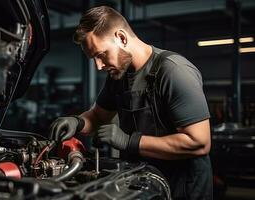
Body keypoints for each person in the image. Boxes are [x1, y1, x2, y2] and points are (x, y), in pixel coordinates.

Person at [49, 6, 212, 200]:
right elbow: (98, 116)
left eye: (101, 55)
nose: (98, 66)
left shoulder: (174, 71)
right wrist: (77, 122)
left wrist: (128, 141)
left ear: (122, 38)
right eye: (93, 58)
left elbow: (199, 143)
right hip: (142, 183)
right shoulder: (119, 75)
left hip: (181, 187)